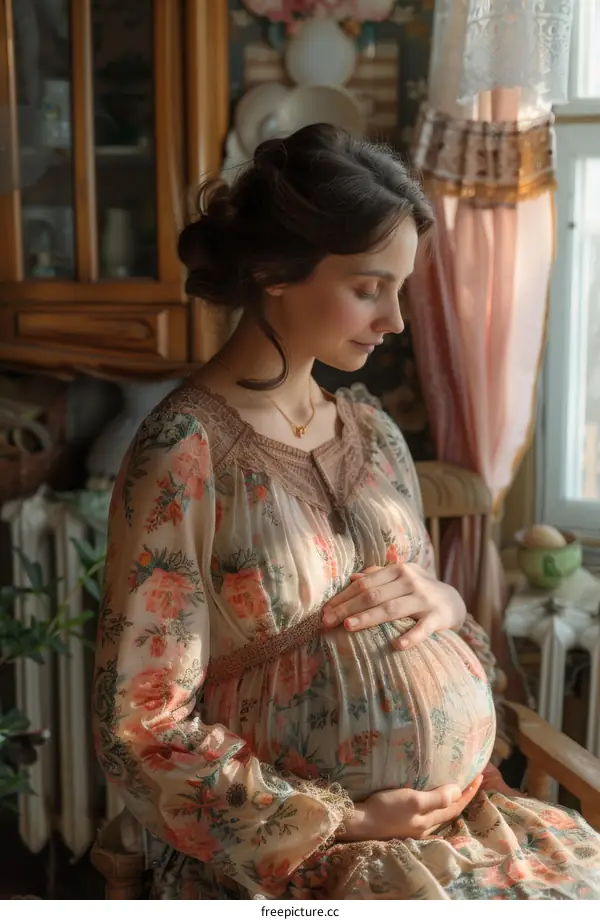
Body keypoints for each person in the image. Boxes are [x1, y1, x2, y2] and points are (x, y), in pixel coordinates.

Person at [93, 124, 600, 900]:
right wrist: (341, 823)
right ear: (272, 270)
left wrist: (449, 599)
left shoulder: (373, 430)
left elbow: (435, 624)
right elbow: (141, 726)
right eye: (370, 287)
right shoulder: (183, 452)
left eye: (401, 288)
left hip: (462, 826)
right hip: (307, 855)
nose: (395, 321)